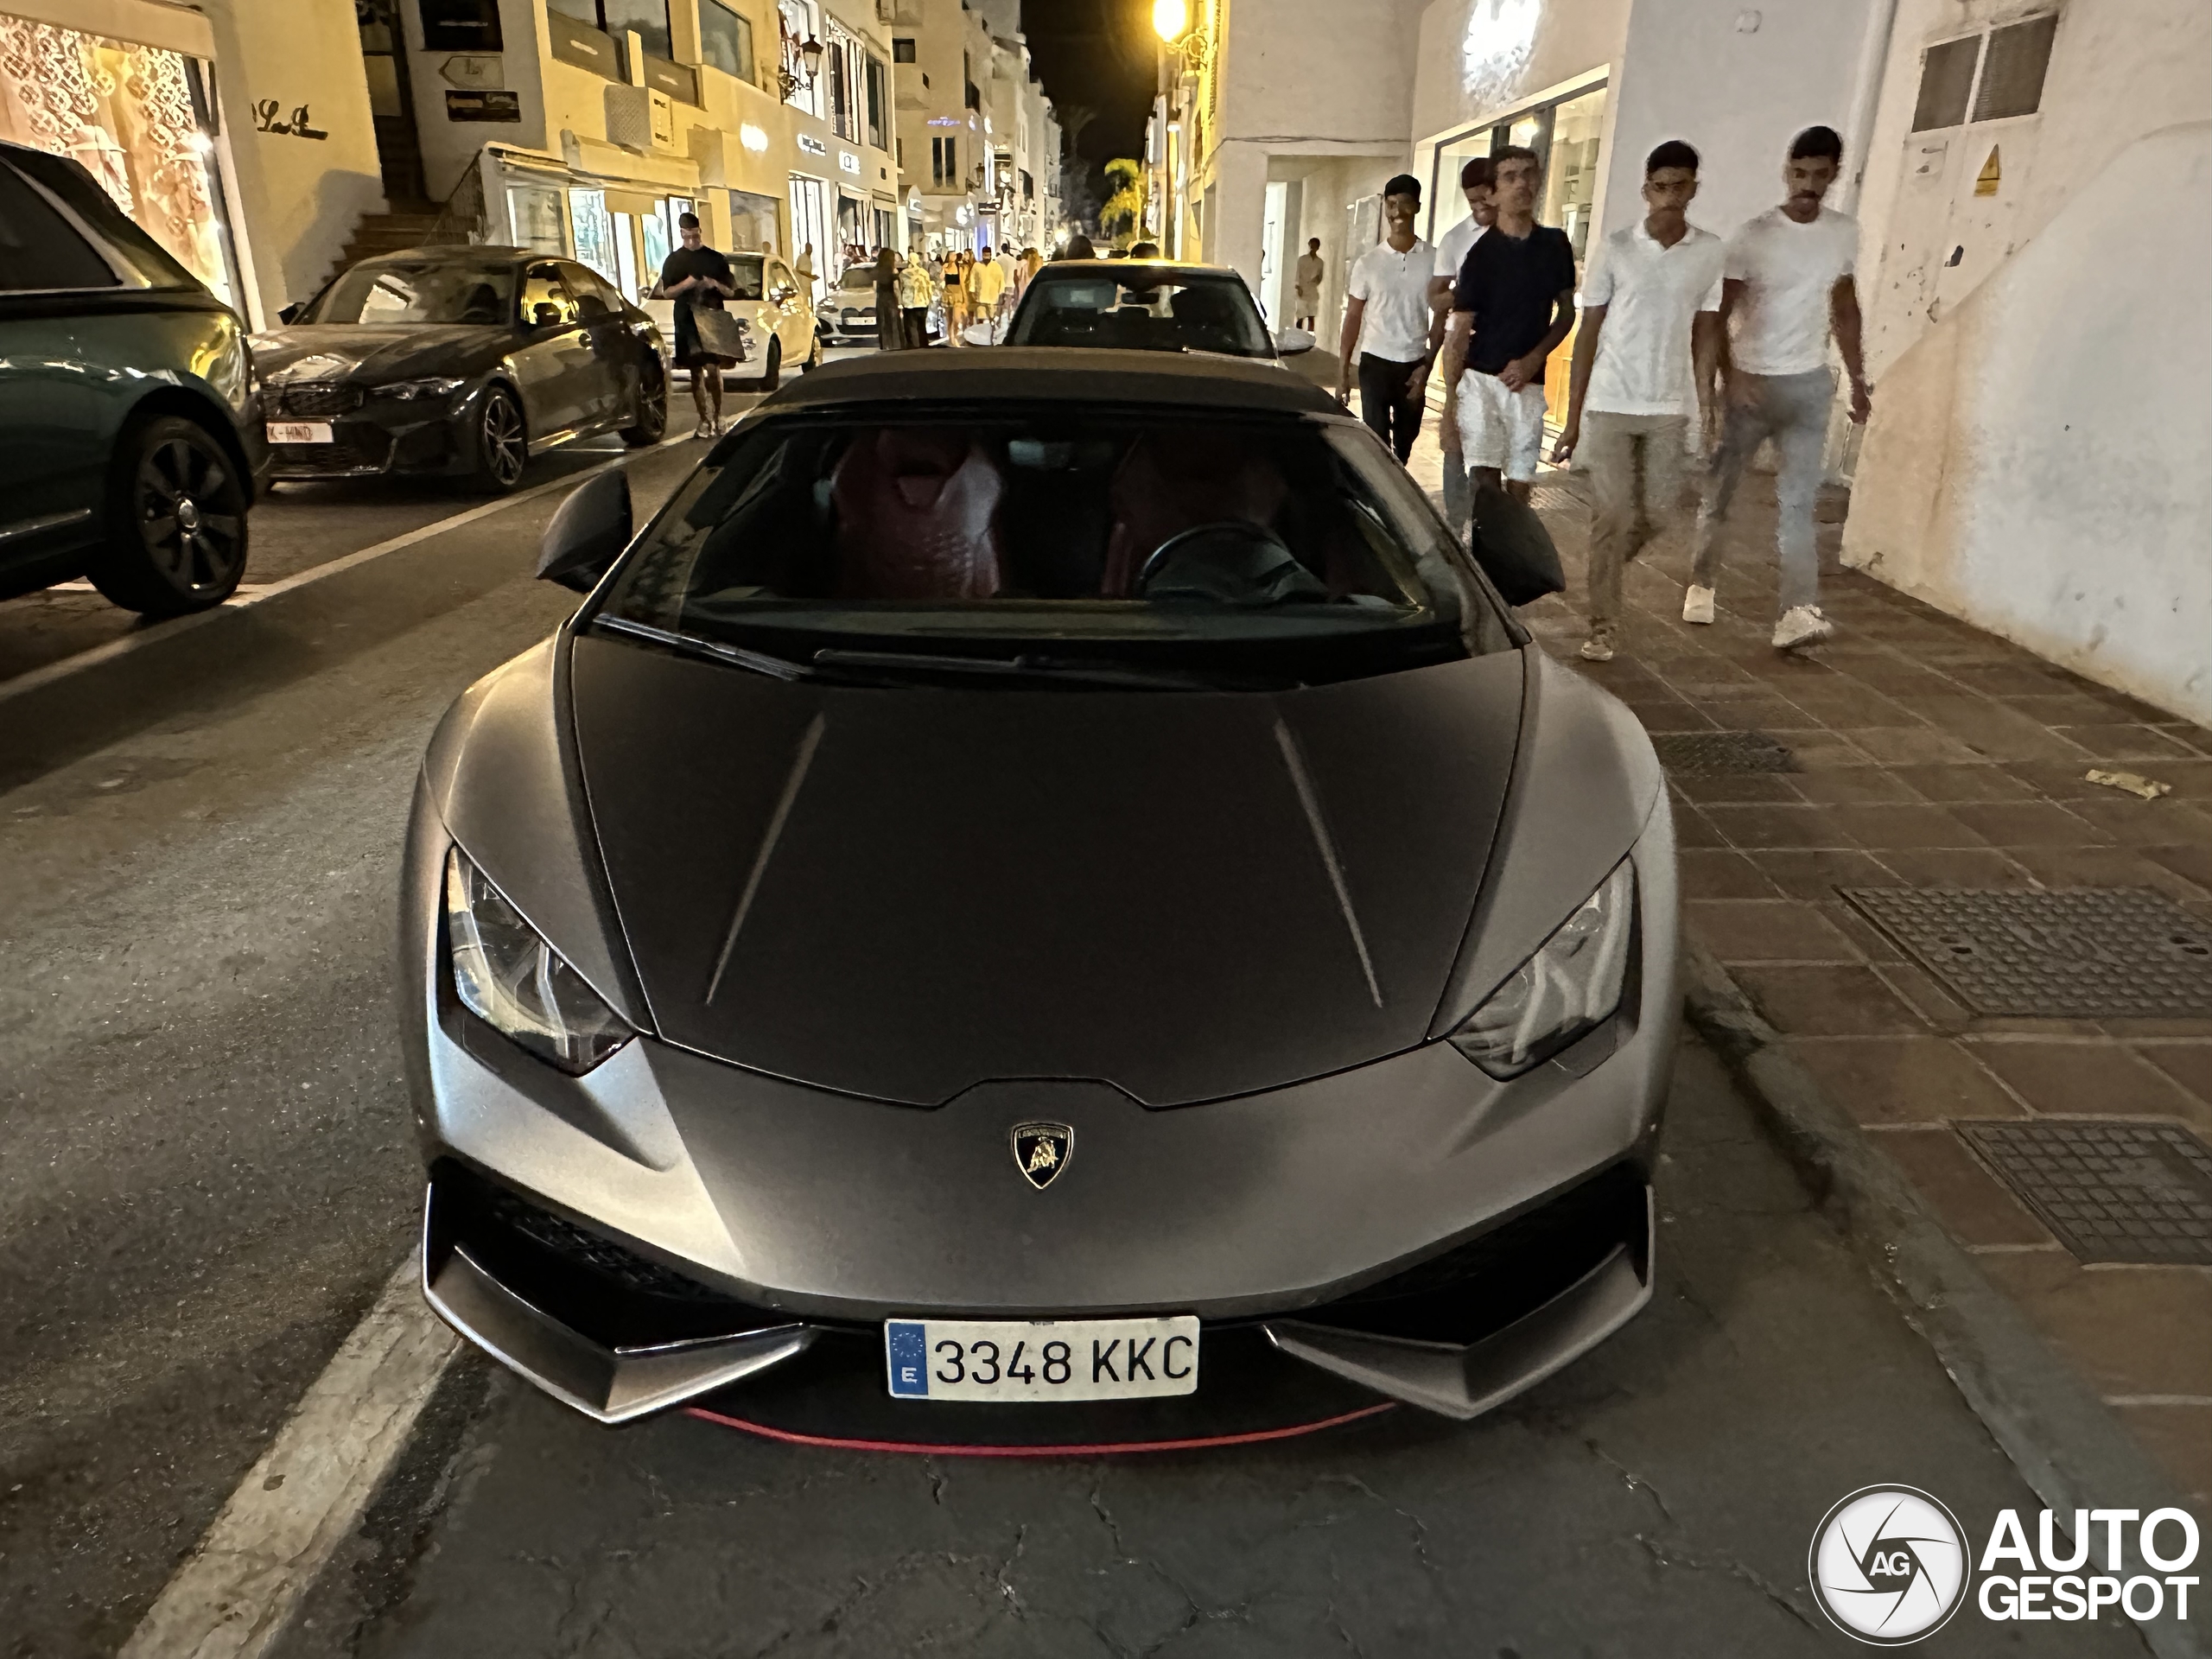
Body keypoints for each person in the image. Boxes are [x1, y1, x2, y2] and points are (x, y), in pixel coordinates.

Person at [1689, 124, 1871, 652]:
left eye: (1819, 174)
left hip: (1809, 384)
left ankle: (1797, 610)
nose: (1807, 184)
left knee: (1798, 503)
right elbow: (1718, 314)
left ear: (1834, 174)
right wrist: (1732, 375)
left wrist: (1858, 377)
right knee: (1722, 490)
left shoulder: (1843, 233)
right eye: (1799, 173)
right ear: (1785, 171)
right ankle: (1702, 581)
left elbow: (1844, 306)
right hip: (1752, 381)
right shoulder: (1754, 235)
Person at [1551, 140, 1726, 663]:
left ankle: (1601, 569)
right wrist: (1574, 417)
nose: (1670, 198)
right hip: (1610, 401)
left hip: (1668, 408)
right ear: (1645, 190)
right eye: (1660, 187)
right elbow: (1588, 333)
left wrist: (1707, 408)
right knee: (1613, 514)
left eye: (1681, 187)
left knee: (1658, 513)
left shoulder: (1710, 252)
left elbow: (1707, 334)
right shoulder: (1616, 248)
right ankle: (1604, 623)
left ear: (1694, 188)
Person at [1436, 145, 1575, 505]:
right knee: (1483, 481)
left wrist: (1533, 359)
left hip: (1528, 383)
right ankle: (1486, 553)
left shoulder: (1554, 244)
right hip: (1482, 381)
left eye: (1529, 174)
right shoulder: (1480, 254)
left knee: (1520, 484)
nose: (1522, 184)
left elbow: (1566, 312)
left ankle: (1512, 554)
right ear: (1493, 192)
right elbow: (1460, 330)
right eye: (1510, 177)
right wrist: (1451, 401)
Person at [1336, 175, 1435, 464]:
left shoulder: (1434, 258)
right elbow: (1353, 317)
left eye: (1404, 204)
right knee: (1376, 441)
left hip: (1413, 365)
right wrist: (1343, 374)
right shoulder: (1368, 263)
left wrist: (1427, 365)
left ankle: (1398, 480)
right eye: (1391, 205)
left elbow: (1442, 316)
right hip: (1375, 363)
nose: (1397, 212)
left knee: (1406, 441)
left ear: (1416, 207)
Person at [1427, 158, 1497, 535]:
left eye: (1485, 201)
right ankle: (1456, 527)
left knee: (1497, 448)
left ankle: (1492, 528)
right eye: (1472, 204)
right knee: (1455, 440)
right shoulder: (1456, 239)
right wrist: (1466, 293)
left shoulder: (1522, 236)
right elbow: (1435, 297)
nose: (1479, 210)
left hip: (1507, 356)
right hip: (1463, 352)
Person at [651, 211, 736, 438]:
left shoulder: (715, 259)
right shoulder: (673, 261)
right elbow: (667, 292)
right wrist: (688, 283)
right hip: (686, 320)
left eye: (695, 236)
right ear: (681, 234)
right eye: (687, 236)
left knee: (713, 368)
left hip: (712, 317)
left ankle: (719, 414)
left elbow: (731, 290)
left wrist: (713, 283)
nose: (691, 240)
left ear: (700, 232)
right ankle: (704, 419)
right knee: (695, 372)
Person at [898, 248, 934, 346]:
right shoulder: (924, 273)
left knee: (911, 326)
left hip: (909, 303)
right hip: (922, 302)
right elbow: (929, 287)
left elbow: (901, 288)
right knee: (921, 325)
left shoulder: (904, 274)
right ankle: (923, 343)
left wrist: (900, 302)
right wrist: (928, 299)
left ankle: (913, 344)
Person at [969, 243, 1007, 339]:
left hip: (993, 298)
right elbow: (972, 279)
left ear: (991, 255)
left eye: (988, 255)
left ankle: (991, 335)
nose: (986, 257)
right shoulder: (976, 266)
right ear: (982, 255)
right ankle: (980, 336)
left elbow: (1001, 281)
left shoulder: (996, 266)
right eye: (985, 255)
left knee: (992, 318)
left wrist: (1002, 294)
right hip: (980, 297)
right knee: (980, 318)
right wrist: (972, 292)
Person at [872, 246, 902, 350]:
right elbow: (896, 288)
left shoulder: (876, 269)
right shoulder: (893, 270)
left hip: (881, 299)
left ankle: (885, 344)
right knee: (893, 321)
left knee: (883, 322)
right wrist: (899, 302)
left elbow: (875, 287)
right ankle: (894, 344)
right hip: (890, 298)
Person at [1293, 238, 1324, 332]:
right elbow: (1297, 274)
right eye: (1311, 245)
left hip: (1312, 291)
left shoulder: (1320, 262)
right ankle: (1298, 336)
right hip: (1302, 290)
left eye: (1315, 246)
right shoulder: (1302, 260)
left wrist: (1317, 279)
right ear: (1309, 245)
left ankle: (1310, 338)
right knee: (1301, 315)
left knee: (1311, 315)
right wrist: (1298, 287)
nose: (1313, 247)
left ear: (1318, 247)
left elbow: (1320, 277)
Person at [942, 250, 967, 344]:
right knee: (949, 319)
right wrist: (944, 269)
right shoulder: (945, 267)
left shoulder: (958, 267)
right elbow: (941, 278)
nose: (954, 256)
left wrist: (965, 296)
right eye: (952, 255)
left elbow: (962, 282)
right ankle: (951, 338)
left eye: (955, 255)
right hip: (948, 294)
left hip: (957, 294)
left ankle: (955, 335)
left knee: (957, 318)